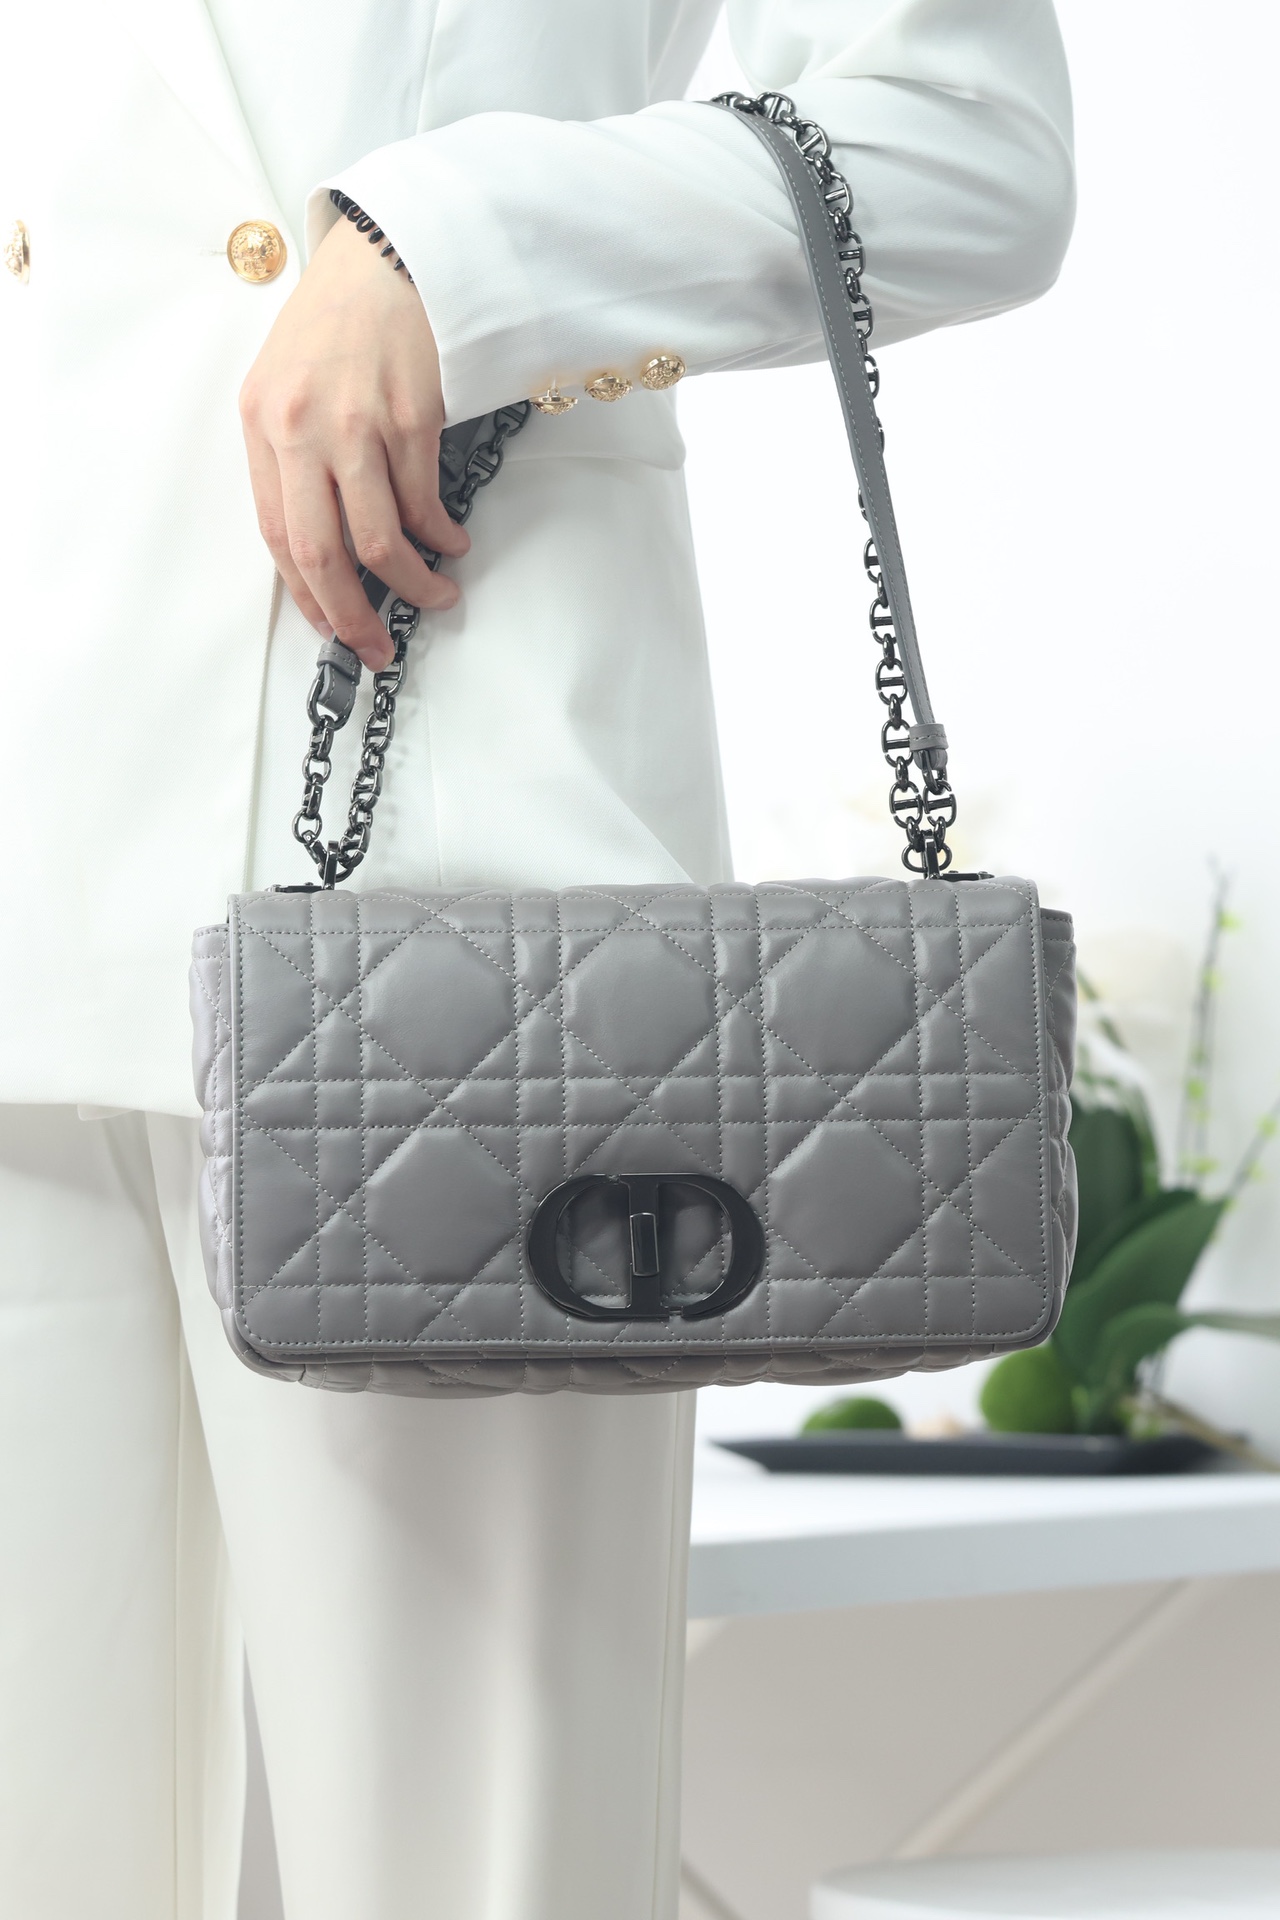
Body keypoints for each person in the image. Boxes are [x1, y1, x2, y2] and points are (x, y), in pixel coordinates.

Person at [0, 2, 1074, 1914]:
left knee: (477, 1874)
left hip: (457, 934)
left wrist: (459, 242)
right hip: (29, 868)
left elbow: (973, 147)